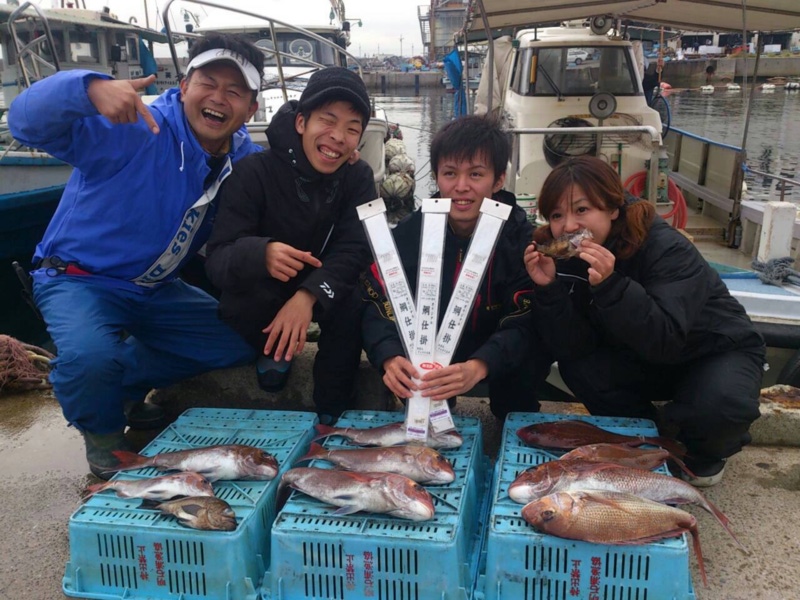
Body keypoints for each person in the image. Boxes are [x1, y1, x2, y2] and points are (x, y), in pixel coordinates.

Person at [7, 33, 266, 479]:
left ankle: (122, 383)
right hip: (77, 277)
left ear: (251, 110)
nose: (218, 98)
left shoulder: (244, 159)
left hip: (155, 288)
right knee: (88, 358)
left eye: (235, 91)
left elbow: (287, 195)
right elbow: (24, 123)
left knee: (240, 339)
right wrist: (85, 89)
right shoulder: (136, 125)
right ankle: (105, 440)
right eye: (208, 82)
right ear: (184, 86)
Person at [524, 156, 765, 486]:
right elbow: (572, 345)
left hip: (713, 349)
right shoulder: (562, 256)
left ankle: (703, 452)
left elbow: (664, 337)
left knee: (720, 408)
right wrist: (548, 289)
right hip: (639, 352)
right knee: (580, 367)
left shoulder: (666, 248)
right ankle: (652, 439)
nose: (568, 226)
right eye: (556, 215)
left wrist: (610, 285)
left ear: (613, 208)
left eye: (581, 210)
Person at [204, 67, 376, 423]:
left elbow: (357, 248)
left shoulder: (358, 177)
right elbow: (217, 258)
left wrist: (308, 296)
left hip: (323, 287)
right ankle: (272, 349)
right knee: (246, 280)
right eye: (327, 121)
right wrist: (260, 253)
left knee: (357, 296)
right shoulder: (253, 172)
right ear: (301, 122)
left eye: (351, 128)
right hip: (264, 297)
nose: (337, 137)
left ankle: (332, 410)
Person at [361, 115, 552, 419]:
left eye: (476, 175)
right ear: (437, 176)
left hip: (496, 349)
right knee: (414, 391)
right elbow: (377, 297)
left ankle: (515, 421)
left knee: (527, 360)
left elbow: (525, 317)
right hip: (430, 351)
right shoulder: (410, 234)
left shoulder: (521, 240)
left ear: (498, 179)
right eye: (450, 173)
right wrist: (389, 355)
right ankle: (427, 419)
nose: (461, 187)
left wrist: (481, 364)